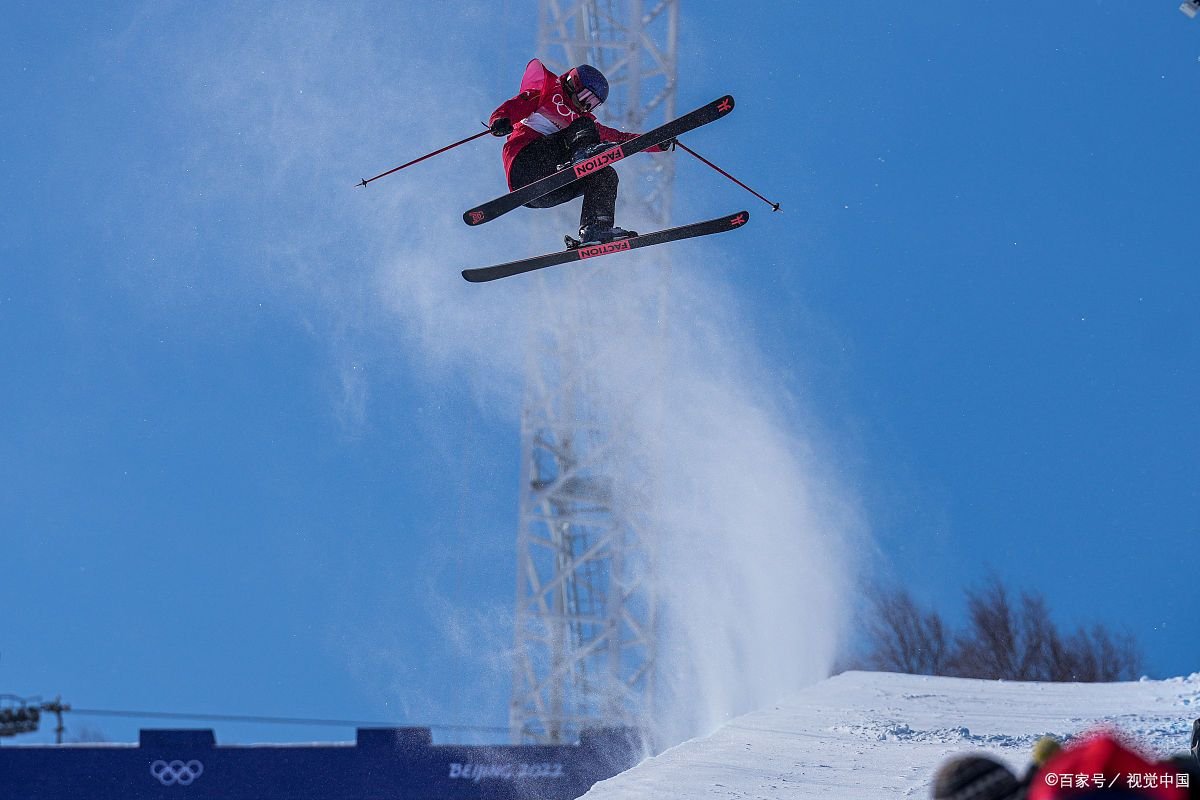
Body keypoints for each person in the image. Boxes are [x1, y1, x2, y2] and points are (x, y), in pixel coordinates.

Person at [488, 59, 672, 246]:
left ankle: (595, 229)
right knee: (584, 125)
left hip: (544, 193)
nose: (586, 106)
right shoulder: (547, 93)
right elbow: (515, 105)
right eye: (586, 97)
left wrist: (656, 142)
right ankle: (581, 156)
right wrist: (501, 120)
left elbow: (621, 138)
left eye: (592, 104)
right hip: (527, 165)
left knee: (605, 174)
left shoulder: (584, 120)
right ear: (573, 82)